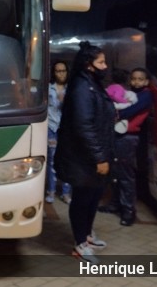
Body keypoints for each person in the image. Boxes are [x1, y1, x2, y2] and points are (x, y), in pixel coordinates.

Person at [54, 41, 116, 264]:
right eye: (101, 62)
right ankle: (80, 243)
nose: (105, 65)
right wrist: (99, 157)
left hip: (94, 153)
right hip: (84, 157)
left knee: (93, 196)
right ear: (89, 65)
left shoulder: (92, 83)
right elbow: (83, 125)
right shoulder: (82, 87)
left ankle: (87, 236)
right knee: (82, 198)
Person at [99, 67, 153, 226]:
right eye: (134, 78)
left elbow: (127, 112)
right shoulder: (131, 94)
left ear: (146, 81)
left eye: (140, 79)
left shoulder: (146, 95)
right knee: (115, 173)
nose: (136, 81)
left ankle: (129, 211)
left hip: (128, 138)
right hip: (118, 136)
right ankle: (115, 205)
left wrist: (113, 113)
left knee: (126, 175)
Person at [45, 60, 71, 204]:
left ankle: (66, 193)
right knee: (52, 160)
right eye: (58, 71)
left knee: (67, 160)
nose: (61, 73)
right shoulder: (49, 89)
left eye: (63, 71)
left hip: (67, 129)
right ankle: (51, 191)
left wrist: (65, 102)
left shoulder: (71, 89)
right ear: (53, 73)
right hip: (52, 127)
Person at [105, 68, 138, 134]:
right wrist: (126, 101)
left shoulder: (111, 86)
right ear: (125, 80)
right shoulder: (119, 88)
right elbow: (117, 97)